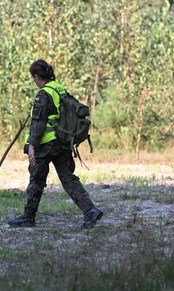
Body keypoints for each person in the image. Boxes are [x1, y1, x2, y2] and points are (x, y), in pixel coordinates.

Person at [8, 59, 103, 228]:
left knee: (36, 179)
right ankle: (90, 210)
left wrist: (31, 146)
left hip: (45, 144)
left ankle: (28, 217)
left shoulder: (43, 94)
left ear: (37, 77)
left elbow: (38, 123)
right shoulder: (59, 89)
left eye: (33, 78)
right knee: (68, 178)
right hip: (62, 142)